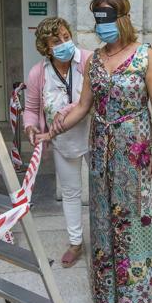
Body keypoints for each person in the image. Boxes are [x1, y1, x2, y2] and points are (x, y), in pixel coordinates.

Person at [41, 0, 152, 303]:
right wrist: (51, 130)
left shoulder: (145, 55)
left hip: (134, 147)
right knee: (102, 215)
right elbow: (83, 106)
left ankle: (143, 289)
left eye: (106, 18)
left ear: (122, 18)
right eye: (97, 19)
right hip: (100, 147)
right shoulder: (94, 59)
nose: (101, 26)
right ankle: (109, 289)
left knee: (136, 214)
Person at [23, 17, 91, 268]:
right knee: (71, 192)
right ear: (46, 47)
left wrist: (71, 108)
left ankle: (107, 238)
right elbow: (31, 108)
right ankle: (75, 243)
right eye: (56, 40)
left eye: (66, 36)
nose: (64, 43)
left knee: (101, 189)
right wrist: (30, 126)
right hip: (63, 140)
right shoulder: (38, 73)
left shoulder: (87, 60)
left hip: (95, 134)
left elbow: (92, 98)